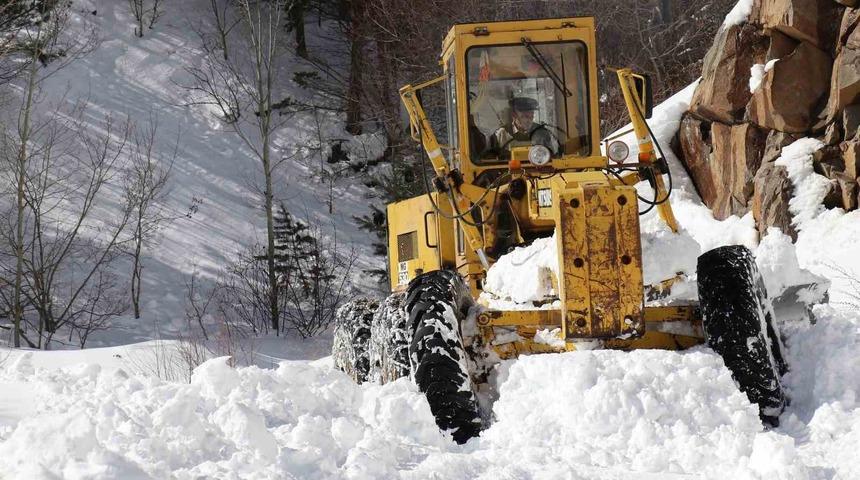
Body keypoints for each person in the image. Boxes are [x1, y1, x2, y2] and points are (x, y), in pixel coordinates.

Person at [488, 96, 556, 156]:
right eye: (524, 116)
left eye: (531, 116)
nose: (528, 120)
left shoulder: (541, 132)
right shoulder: (502, 134)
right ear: (514, 116)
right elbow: (492, 158)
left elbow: (551, 155)